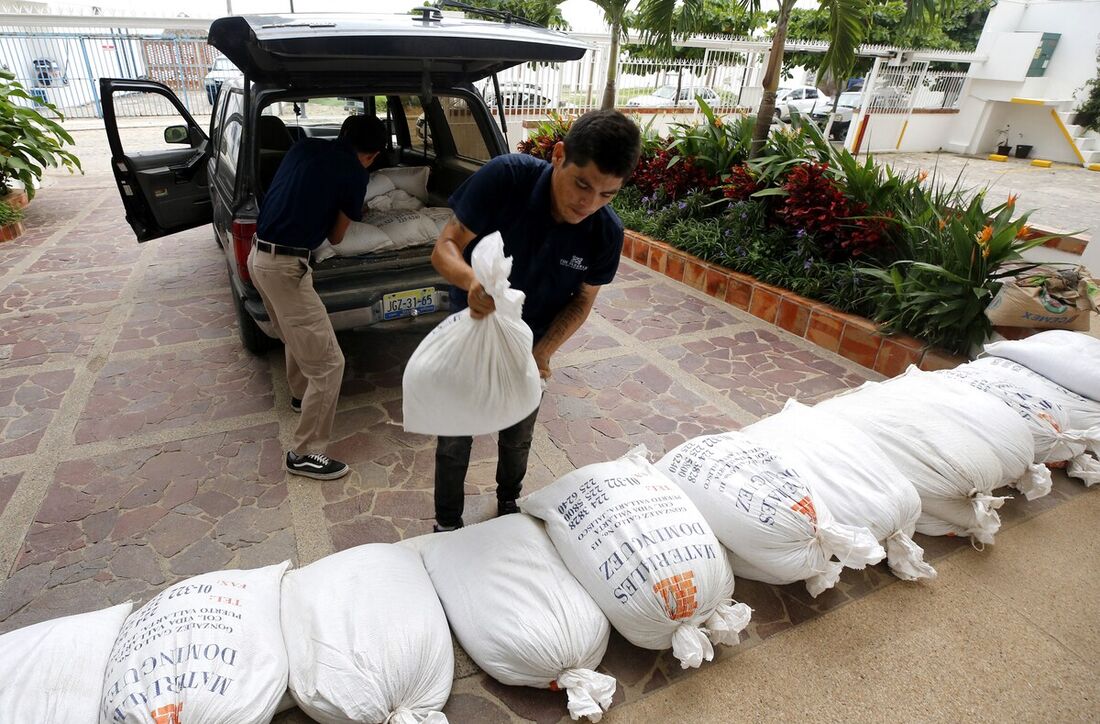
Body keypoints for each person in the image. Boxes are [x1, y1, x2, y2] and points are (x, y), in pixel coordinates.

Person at [428, 109, 642, 531]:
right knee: (455, 438)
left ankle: (508, 504)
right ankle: (447, 524)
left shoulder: (605, 233)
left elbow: (582, 302)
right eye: (583, 184)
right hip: (470, 333)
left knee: (517, 436)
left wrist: (543, 352)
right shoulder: (505, 179)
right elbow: (445, 246)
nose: (589, 203)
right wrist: (471, 281)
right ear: (559, 155)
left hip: (529, 344)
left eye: (607, 194)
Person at [249, 114, 388, 480]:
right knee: (329, 364)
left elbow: (298, 192)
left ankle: (299, 396)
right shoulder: (355, 174)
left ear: (342, 134)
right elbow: (339, 237)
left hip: (258, 258)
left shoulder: (304, 147)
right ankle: (306, 453)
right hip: (286, 268)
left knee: (297, 335)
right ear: (373, 155)